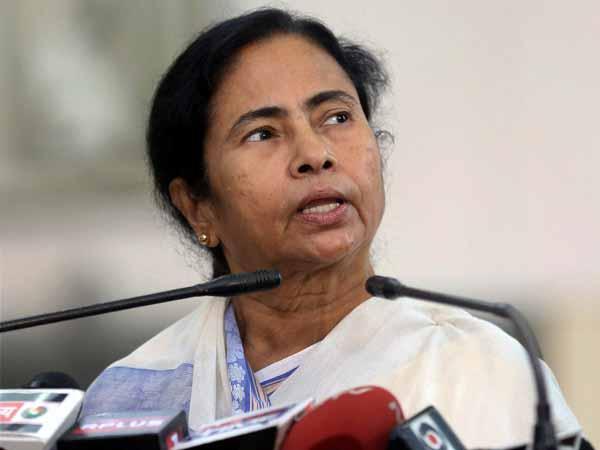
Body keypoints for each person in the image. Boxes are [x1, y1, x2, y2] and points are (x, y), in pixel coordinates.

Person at [81, 8, 581, 447]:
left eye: (337, 117)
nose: (315, 154)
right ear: (197, 206)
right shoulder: (132, 396)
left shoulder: (479, 370)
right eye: (263, 133)